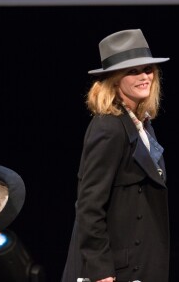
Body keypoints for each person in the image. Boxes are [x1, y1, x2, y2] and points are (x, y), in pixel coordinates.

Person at [61, 29, 170, 282]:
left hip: (138, 264)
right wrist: (101, 271)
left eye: (147, 69)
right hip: (115, 271)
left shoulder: (141, 123)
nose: (145, 77)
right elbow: (89, 204)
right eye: (133, 71)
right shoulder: (108, 127)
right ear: (114, 79)